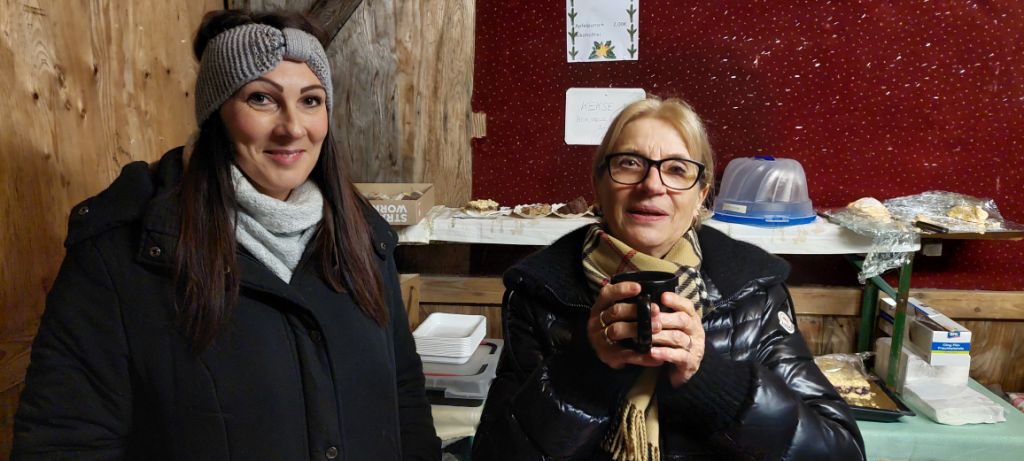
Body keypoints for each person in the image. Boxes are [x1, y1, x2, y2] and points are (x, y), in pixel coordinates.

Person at [13, 10, 440, 461]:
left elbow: (404, 401)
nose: (293, 127)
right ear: (216, 113)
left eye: (311, 100)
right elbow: (65, 441)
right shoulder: (122, 256)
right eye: (262, 98)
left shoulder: (363, 238)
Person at [472, 97, 865, 460]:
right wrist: (586, 371)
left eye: (677, 169)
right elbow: (494, 454)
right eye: (629, 163)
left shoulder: (752, 292)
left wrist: (712, 381)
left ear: (701, 196)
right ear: (599, 184)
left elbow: (840, 451)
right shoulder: (540, 293)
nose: (652, 185)